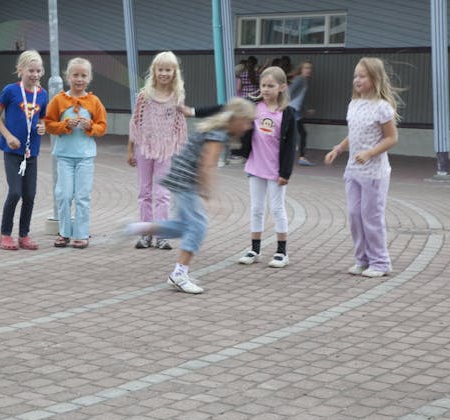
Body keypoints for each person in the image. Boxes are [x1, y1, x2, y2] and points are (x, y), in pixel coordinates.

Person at [126, 98, 256, 294]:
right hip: (185, 181)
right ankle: (179, 273)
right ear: (235, 118)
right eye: (246, 121)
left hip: (182, 179)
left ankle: (136, 228)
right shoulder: (218, 133)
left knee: (185, 227)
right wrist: (211, 196)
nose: (247, 127)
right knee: (198, 226)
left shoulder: (218, 130)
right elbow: (207, 166)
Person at [324, 57, 401, 278]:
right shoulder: (354, 104)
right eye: (355, 75)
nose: (357, 80)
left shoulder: (382, 108)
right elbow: (354, 134)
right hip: (353, 171)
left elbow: (391, 138)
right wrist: (338, 149)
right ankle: (362, 260)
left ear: (374, 78)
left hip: (374, 174)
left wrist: (369, 153)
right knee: (355, 215)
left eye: (362, 76)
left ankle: (380, 262)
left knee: (371, 217)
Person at [237, 66, 296, 269]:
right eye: (263, 85)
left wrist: (285, 172)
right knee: (256, 208)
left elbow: (290, 146)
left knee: (277, 208)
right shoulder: (254, 107)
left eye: (270, 86)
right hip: (255, 166)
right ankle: (254, 249)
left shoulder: (287, 113)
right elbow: (244, 131)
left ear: (282, 87)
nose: (266, 89)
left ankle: (282, 252)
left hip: (275, 171)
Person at [44, 58, 107, 249]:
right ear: (67, 76)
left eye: (83, 75)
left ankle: (81, 233)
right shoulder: (58, 100)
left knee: (82, 196)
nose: (79, 79)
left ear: (89, 78)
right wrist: (64, 125)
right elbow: (48, 124)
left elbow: (102, 127)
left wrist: (91, 127)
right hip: (64, 156)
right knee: (63, 194)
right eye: (75, 75)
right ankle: (64, 232)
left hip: (85, 157)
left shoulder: (94, 101)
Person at [127, 51, 188, 250]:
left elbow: (180, 126)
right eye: (160, 69)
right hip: (144, 148)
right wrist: (130, 150)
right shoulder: (144, 97)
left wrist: (177, 148)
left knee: (162, 193)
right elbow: (135, 124)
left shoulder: (177, 97)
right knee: (144, 191)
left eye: (168, 70)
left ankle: (162, 234)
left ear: (174, 72)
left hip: (166, 150)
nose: (164, 73)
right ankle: (146, 233)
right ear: (154, 71)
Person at [0, 50, 48, 251]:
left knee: (30, 195)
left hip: (31, 152)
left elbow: (43, 119)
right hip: (12, 151)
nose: (34, 74)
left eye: (38, 70)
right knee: (15, 192)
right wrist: (8, 136)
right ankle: (5, 234)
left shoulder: (43, 95)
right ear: (20, 70)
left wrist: (43, 126)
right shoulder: (10, 91)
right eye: (30, 70)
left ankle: (24, 235)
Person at [289, 60, 314, 166]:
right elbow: (289, 93)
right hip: (291, 110)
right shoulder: (299, 79)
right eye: (306, 68)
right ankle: (301, 157)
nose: (309, 70)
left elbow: (300, 98)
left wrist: (306, 109)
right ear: (301, 69)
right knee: (300, 133)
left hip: (296, 111)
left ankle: (302, 157)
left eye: (310, 68)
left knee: (301, 133)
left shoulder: (304, 81)